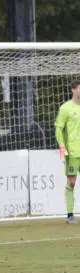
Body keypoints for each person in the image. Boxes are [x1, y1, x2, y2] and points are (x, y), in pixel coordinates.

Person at [55, 80, 80, 224]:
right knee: (71, 182)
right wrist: (62, 147)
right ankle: (70, 214)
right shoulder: (65, 108)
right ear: (73, 90)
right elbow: (58, 128)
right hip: (72, 153)